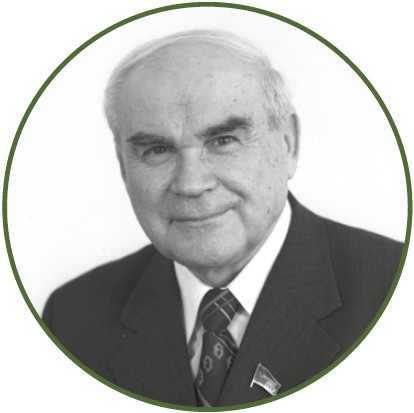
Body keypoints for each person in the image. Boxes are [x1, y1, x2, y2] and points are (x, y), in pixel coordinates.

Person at [42, 30, 403, 407]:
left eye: (223, 141)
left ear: (288, 143)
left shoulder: (394, 288)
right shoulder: (72, 316)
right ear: (122, 166)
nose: (191, 184)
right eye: (157, 150)